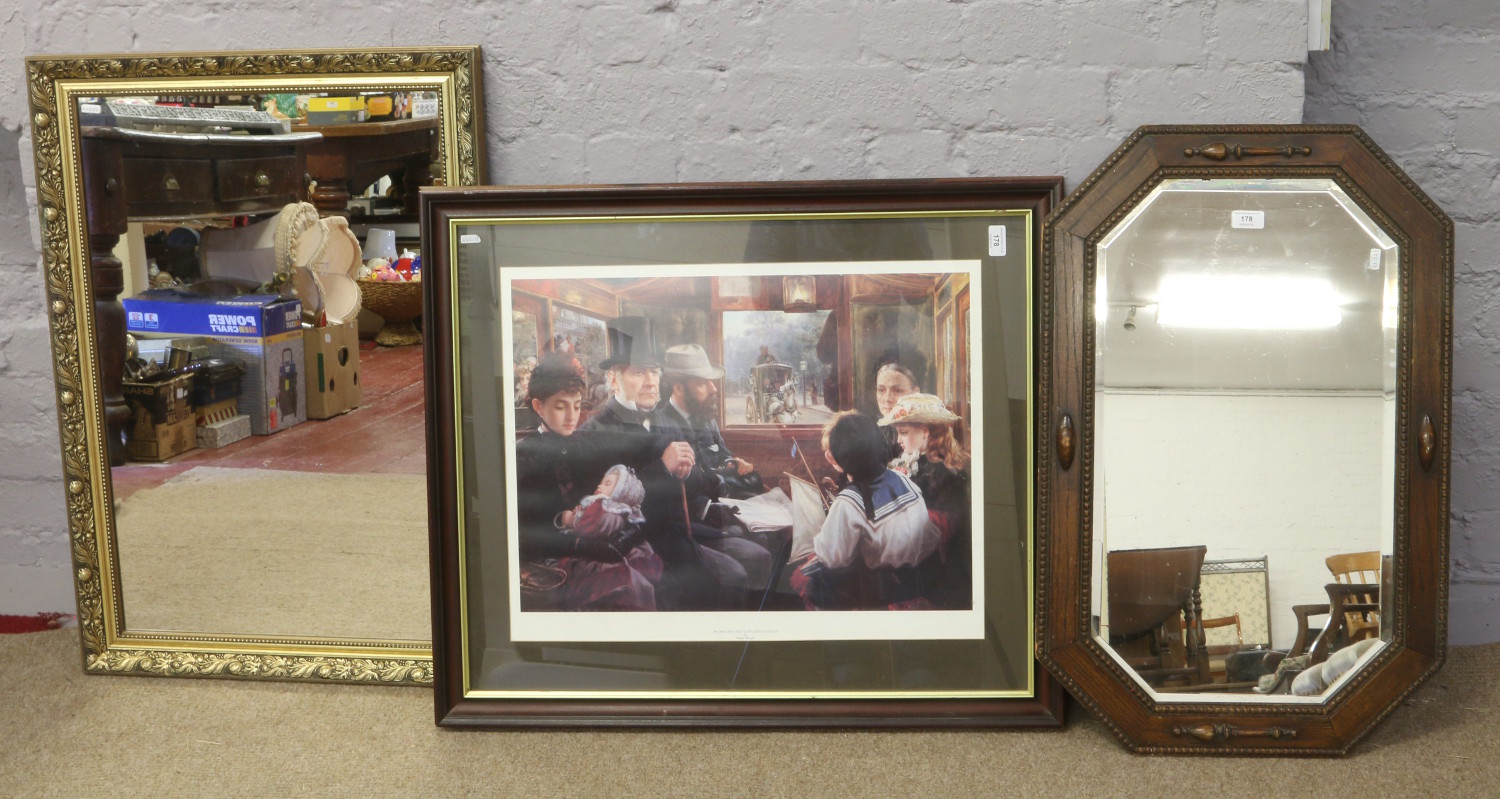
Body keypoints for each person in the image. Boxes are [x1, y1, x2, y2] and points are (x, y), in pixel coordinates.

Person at [580, 317, 757, 609]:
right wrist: (663, 469)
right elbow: (604, 517)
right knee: (726, 581)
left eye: (655, 372)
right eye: (639, 372)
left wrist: (688, 472)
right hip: (636, 548)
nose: (651, 382)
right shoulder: (594, 433)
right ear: (613, 379)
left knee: (737, 574)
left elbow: (696, 482)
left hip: (677, 534)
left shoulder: (662, 420)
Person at [513, 353, 693, 611]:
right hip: (552, 557)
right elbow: (531, 532)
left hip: (595, 541)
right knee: (632, 584)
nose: (571, 417)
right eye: (561, 407)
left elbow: (640, 443)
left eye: (576, 406)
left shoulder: (585, 441)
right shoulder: (525, 455)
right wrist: (586, 545)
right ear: (539, 407)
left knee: (657, 574)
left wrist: (667, 444)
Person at [652, 343, 775, 595]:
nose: (713, 388)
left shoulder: (707, 419)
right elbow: (677, 494)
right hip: (693, 525)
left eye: (712, 382)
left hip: (723, 508)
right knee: (758, 551)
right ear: (678, 388)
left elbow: (724, 457)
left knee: (770, 535)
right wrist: (722, 479)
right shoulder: (660, 426)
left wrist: (735, 464)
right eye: (702, 383)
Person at [790, 412, 941, 610]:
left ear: (837, 458)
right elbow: (929, 537)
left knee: (806, 580)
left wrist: (818, 539)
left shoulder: (848, 502)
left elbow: (832, 557)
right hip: (917, 580)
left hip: (881, 595)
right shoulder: (903, 479)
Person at [879, 392, 972, 609]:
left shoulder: (945, 474)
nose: (898, 440)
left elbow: (937, 528)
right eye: (898, 433)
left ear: (926, 432)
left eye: (903, 432)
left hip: (934, 572)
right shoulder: (916, 466)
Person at [874, 361, 921, 460]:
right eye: (881, 390)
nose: (887, 399)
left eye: (898, 390)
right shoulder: (872, 431)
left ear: (915, 393)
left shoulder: (922, 433)